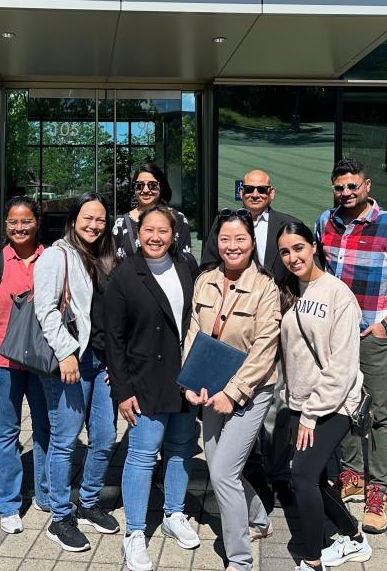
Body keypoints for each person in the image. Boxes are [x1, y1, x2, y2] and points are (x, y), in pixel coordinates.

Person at [315, 158, 387, 535]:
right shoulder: (324, 222)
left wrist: (386, 325)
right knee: (342, 404)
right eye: (339, 187)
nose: (346, 193)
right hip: (335, 335)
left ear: (366, 186)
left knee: (378, 412)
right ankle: (351, 474)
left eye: (352, 186)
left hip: (374, 336)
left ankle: (378, 489)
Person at [104, 203, 200, 571]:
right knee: (143, 455)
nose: (156, 237)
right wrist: (123, 391)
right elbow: (114, 339)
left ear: (174, 235)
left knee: (180, 448)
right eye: (149, 231)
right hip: (144, 379)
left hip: (183, 376)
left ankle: (174, 513)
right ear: (137, 233)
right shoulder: (125, 275)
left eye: (163, 231)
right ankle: (134, 532)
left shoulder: (186, 267)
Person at [184, 210, 281, 571]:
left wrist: (234, 392)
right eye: (225, 239)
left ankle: (239, 559)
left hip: (252, 391)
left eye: (240, 239)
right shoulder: (205, 280)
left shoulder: (266, 287)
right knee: (218, 463)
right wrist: (189, 382)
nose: (232, 246)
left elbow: (265, 348)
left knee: (223, 471)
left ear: (253, 242)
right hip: (209, 388)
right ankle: (257, 520)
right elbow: (194, 332)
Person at [277, 221, 371, 571]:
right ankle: (354, 539)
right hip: (298, 403)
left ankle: (313, 560)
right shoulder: (288, 289)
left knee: (301, 476)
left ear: (313, 246)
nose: (292, 257)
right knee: (313, 477)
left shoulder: (337, 294)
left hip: (330, 407)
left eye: (298, 247)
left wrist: (311, 414)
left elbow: (342, 365)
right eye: (285, 251)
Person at [200, 169, 299, 499]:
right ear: (241, 191)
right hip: (233, 335)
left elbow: (303, 270)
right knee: (240, 408)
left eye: (261, 189)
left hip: (277, 325)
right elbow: (209, 266)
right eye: (249, 188)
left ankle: (278, 472)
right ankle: (251, 475)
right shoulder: (225, 223)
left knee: (276, 403)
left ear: (271, 193)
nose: (255, 193)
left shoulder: (286, 223)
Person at [34, 192, 119, 552]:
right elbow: (45, 309)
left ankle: (87, 502)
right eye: (88, 217)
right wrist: (66, 353)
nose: (94, 225)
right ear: (73, 219)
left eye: (100, 219)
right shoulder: (57, 256)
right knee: (65, 440)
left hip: (103, 361)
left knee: (105, 437)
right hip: (73, 360)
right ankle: (60, 516)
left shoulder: (109, 257)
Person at [0, 196, 50, 534]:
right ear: (5, 225)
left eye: (26, 221)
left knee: (47, 430)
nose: (19, 228)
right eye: (13, 222)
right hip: (2, 364)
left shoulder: (52, 259)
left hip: (44, 363)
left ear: (37, 222)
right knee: (7, 432)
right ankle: (8, 503)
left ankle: (47, 493)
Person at [113, 161, 192, 260]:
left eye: (152, 185)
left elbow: (185, 260)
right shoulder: (121, 224)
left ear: (161, 187)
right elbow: (115, 264)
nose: (145, 190)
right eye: (139, 185)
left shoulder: (178, 219)